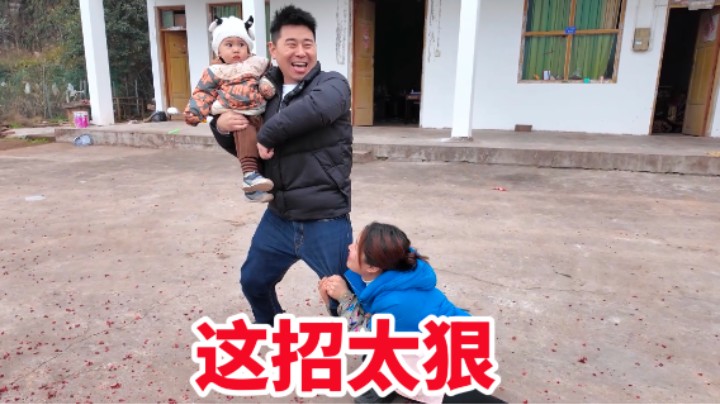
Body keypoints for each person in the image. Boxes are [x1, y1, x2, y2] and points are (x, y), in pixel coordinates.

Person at [210, 5, 353, 325]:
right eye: (291, 44)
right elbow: (246, 149)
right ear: (273, 50)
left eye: (308, 44)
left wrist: (267, 133)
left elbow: (316, 109)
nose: (301, 52)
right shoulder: (260, 93)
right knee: (253, 281)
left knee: (343, 298)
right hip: (279, 217)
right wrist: (221, 127)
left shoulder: (332, 85)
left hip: (325, 217)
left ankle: (361, 346)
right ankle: (274, 329)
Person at [319, 222, 505, 404]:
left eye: (356, 246)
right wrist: (335, 302)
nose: (349, 247)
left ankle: (390, 383)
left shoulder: (396, 302)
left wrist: (344, 298)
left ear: (373, 267)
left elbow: (363, 339)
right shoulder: (393, 266)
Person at [185, 15, 276, 203]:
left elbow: (270, 75)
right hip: (238, 114)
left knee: (266, 143)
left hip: (260, 111)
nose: (236, 49)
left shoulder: (257, 64)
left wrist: (266, 85)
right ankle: (250, 176)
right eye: (229, 44)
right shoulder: (215, 71)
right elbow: (203, 92)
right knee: (245, 136)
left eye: (241, 44)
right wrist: (195, 112)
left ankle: (254, 190)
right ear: (218, 50)